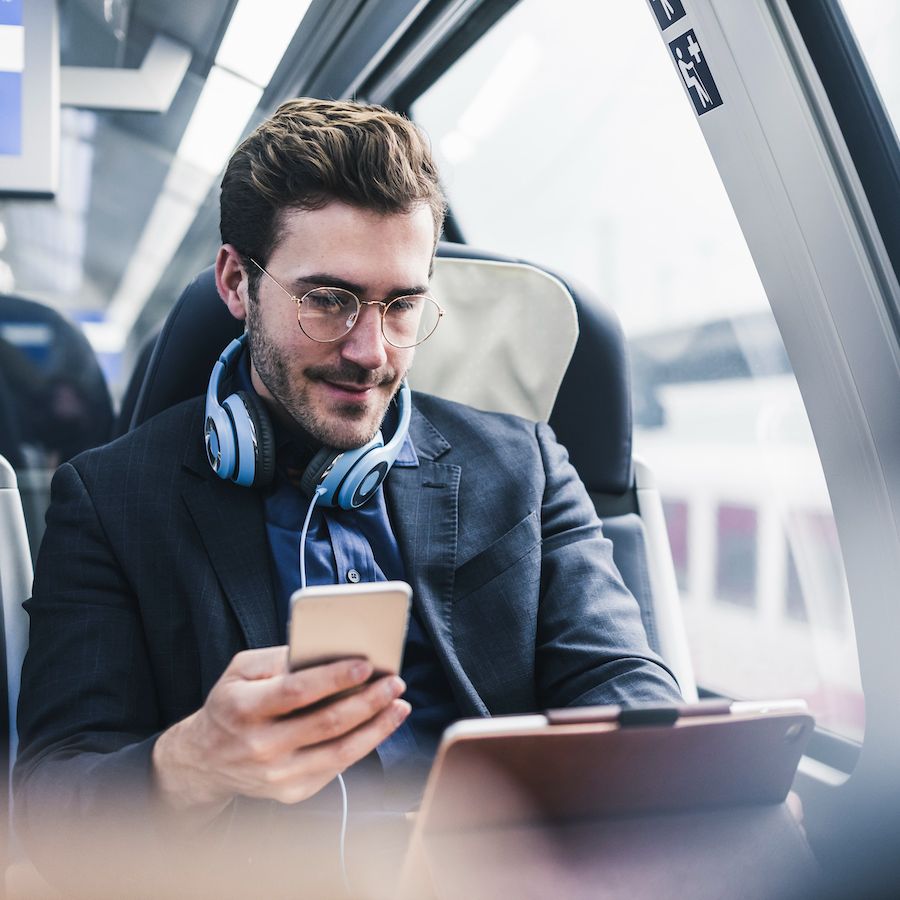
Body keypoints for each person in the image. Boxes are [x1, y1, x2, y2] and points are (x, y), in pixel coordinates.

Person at [13, 98, 681, 896]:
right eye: (328, 299)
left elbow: (626, 688)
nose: (371, 352)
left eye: (402, 305)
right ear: (237, 282)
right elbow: (52, 804)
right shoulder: (114, 499)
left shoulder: (523, 467)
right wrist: (190, 763)